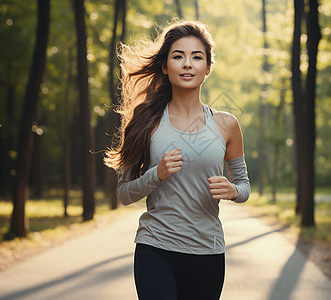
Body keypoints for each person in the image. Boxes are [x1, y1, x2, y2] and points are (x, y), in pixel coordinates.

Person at [105, 20, 250, 300]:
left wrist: (233, 191)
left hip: (207, 251)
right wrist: (155, 175)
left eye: (197, 57)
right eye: (178, 56)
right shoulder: (145, 122)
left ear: (207, 68)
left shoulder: (226, 125)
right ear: (164, 66)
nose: (187, 63)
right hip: (155, 248)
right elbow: (123, 194)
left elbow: (244, 185)